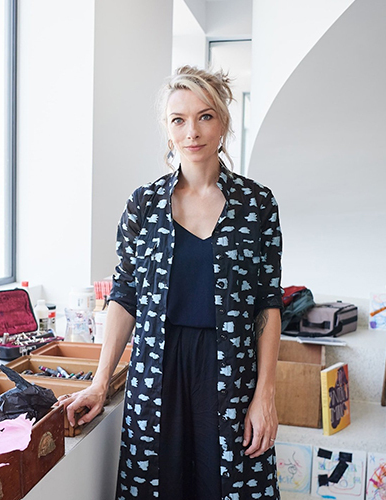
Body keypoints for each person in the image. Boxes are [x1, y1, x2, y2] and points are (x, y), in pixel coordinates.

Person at [58, 66, 283, 500]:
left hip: (231, 371)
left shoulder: (257, 203)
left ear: (223, 123)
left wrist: (265, 395)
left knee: (233, 484)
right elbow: (125, 296)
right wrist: (101, 382)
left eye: (205, 117)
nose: (191, 132)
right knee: (157, 485)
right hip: (156, 370)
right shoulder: (144, 204)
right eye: (178, 120)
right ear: (167, 129)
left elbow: (267, 304)